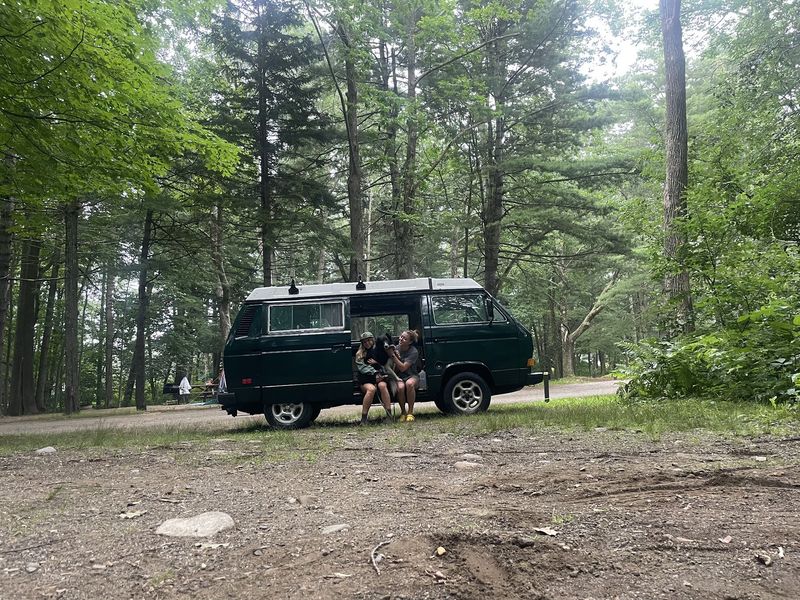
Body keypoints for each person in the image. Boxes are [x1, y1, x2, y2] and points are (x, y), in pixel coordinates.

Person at [355, 331, 393, 425]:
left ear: (372, 340)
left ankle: (389, 416)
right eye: (364, 342)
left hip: (380, 377)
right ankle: (364, 419)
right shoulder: (359, 354)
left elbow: (385, 365)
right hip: (366, 379)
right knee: (371, 390)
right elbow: (363, 368)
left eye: (369, 340)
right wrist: (374, 372)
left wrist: (378, 366)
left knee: (383, 386)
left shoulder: (379, 350)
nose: (367, 343)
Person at [388, 330, 420, 421]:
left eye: (404, 338)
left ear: (410, 342)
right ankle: (403, 412)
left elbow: (403, 368)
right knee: (401, 387)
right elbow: (396, 370)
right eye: (401, 337)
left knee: (409, 384)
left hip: (412, 376)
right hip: (399, 377)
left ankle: (410, 413)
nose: (401, 339)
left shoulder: (413, 351)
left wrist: (393, 356)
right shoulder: (395, 348)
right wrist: (395, 356)